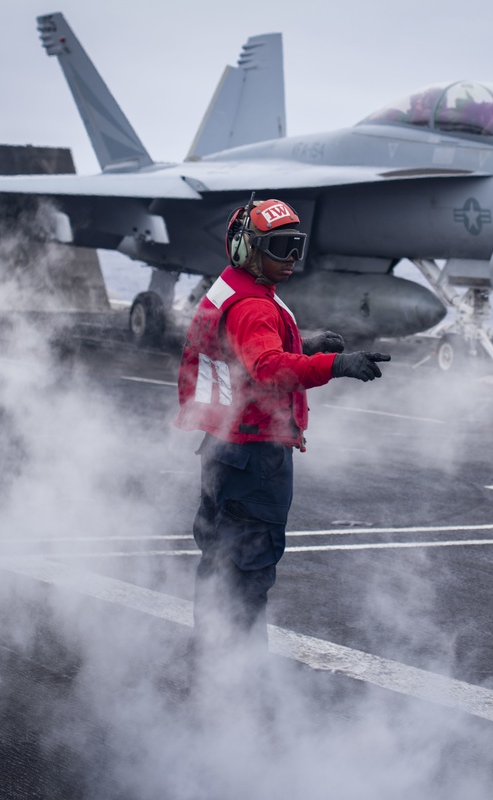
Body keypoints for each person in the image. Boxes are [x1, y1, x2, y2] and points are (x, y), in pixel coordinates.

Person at [175, 197, 391, 658]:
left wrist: (304, 344)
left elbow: (243, 352)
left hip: (223, 449)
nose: (291, 257)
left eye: (296, 245)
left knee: (219, 565)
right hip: (255, 458)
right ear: (247, 250)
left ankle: (211, 666)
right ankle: (239, 681)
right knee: (248, 574)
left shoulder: (233, 290)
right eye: (280, 246)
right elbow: (268, 368)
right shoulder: (255, 306)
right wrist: (335, 364)